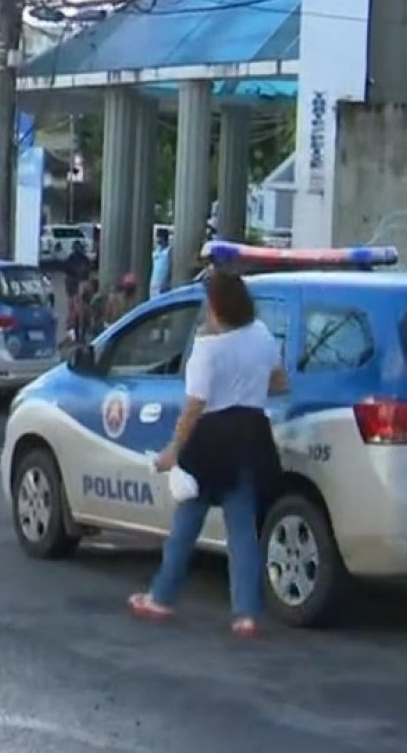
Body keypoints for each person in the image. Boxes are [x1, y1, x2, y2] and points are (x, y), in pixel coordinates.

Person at [129, 271, 288, 637]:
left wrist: (172, 450)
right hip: (252, 433)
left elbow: (194, 408)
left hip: (211, 440)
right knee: (242, 530)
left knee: (186, 524)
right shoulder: (262, 336)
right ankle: (246, 614)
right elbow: (280, 382)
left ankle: (160, 596)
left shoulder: (206, 349)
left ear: (216, 307)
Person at [150, 228, 171, 297]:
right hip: (153, 284)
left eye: (158, 237)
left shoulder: (169, 252)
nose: (157, 239)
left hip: (163, 285)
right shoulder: (155, 252)